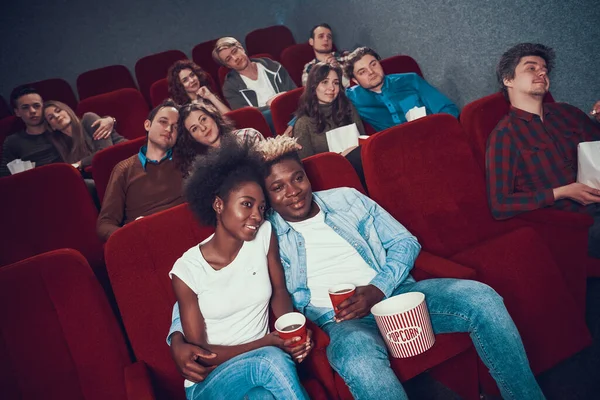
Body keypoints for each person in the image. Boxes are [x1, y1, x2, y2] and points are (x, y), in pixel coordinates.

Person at [169, 136, 546, 400]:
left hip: (397, 294)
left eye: (297, 178)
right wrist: (177, 338)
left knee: (483, 299)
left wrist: (379, 288)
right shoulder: (263, 232)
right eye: (278, 188)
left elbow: (405, 242)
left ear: (306, 174)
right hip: (340, 321)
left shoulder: (347, 199)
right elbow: (209, 285)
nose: (293, 191)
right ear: (265, 197)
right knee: (357, 360)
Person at [170, 140, 312, 399]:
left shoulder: (265, 235)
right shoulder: (187, 270)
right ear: (218, 205)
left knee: (265, 395)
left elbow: (279, 290)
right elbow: (202, 354)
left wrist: (289, 332)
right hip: (212, 379)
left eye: (261, 207)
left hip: (262, 368)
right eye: (246, 204)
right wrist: (267, 343)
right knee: (270, 361)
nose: (257, 216)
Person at [486, 43, 600, 257]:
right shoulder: (504, 136)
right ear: (508, 80)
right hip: (574, 225)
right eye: (531, 68)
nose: (542, 72)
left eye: (544, 69)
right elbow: (499, 205)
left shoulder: (567, 113)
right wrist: (562, 192)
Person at [96, 99, 183, 242]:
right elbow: (105, 224)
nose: (169, 129)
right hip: (147, 241)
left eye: (175, 127)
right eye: (163, 122)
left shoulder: (187, 160)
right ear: (147, 125)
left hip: (188, 234)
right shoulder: (124, 169)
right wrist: (132, 235)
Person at [1, 86, 115, 176]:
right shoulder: (13, 142)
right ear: (17, 112)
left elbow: (82, 130)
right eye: (25, 107)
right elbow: (4, 177)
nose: (32, 111)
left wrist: (109, 119)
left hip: (73, 179)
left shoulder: (59, 130)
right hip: (36, 188)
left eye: (36, 106)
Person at [344, 47, 459, 132]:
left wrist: (436, 128)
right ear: (355, 80)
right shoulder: (353, 98)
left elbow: (448, 109)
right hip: (400, 151)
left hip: (433, 133)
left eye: (373, 64)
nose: (371, 72)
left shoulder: (411, 80)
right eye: (362, 72)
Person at [293, 62, 366, 184]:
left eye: (336, 83)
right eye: (324, 82)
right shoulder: (303, 123)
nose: (332, 88)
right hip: (331, 178)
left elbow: (363, 140)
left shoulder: (347, 108)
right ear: (313, 86)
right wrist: (341, 157)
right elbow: (308, 170)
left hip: (362, 167)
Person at [174, 103, 264, 176]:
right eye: (194, 129)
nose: (202, 128)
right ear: (192, 138)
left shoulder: (248, 136)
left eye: (203, 119)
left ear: (213, 116)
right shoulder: (199, 168)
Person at [213, 37, 296, 111]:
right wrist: (270, 105)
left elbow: (295, 95)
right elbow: (247, 116)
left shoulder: (274, 66)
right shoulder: (230, 88)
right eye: (229, 59)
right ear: (228, 66)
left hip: (291, 113)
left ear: (241, 48)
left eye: (235, 51)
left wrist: (273, 103)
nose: (235, 58)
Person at [43, 100, 126, 171]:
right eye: (51, 117)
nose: (57, 116)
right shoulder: (62, 145)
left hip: (126, 159)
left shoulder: (88, 119)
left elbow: (106, 152)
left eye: (58, 111)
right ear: (52, 127)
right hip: (106, 173)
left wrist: (79, 164)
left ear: (67, 111)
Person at [301, 23, 351, 88]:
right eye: (321, 36)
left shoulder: (345, 56)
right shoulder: (310, 69)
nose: (326, 39)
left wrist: (339, 70)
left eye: (329, 37)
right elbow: (309, 93)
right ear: (311, 42)